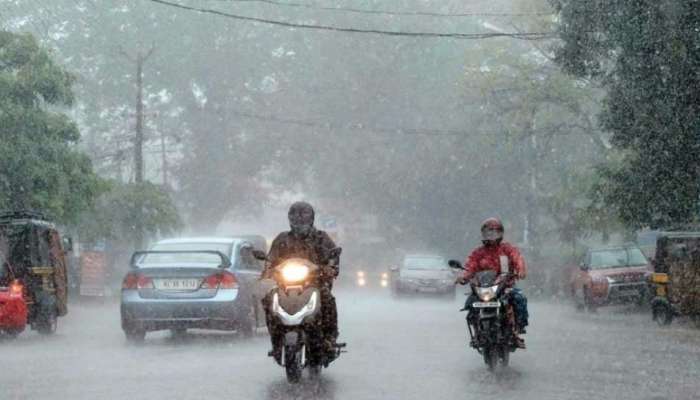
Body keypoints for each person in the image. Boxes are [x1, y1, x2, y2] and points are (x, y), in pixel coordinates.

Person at [262, 201, 340, 363]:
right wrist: (268, 269)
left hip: (315, 283)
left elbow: (333, 257)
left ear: (311, 218)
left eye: (304, 215)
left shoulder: (321, 238)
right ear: (290, 218)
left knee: (327, 299)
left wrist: (330, 268)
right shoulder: (282, 239)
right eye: (295, 215)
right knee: (268, 299)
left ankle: (330, 338)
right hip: (285, 285)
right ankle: (276, 339)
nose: (299, 219)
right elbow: (270, 259)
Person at [456, 217, 529, 348]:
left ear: (501, 234)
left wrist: (520, 270)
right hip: (484, 288)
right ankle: (477, 333)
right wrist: (463, 276)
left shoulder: (507, 249)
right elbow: (469, 266)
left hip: (505, 286)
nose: (492, 236)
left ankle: (516, 331)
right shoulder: (478, 253)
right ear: (483, 234)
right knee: (470, 305)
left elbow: (517, 258)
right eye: (489, 233)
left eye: (495, 232)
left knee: (519, 299)